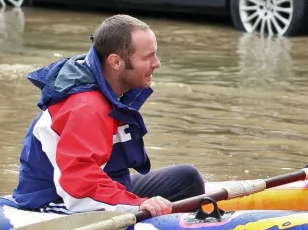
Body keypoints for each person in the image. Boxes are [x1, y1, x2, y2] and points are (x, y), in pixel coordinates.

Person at [12, 14, 205, 216]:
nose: (157, 63)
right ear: (116, 62)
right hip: (55, 199)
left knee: (187, 179)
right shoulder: (85, 107)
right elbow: (78, 185)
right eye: (148, 57)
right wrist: (137, 205)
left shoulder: (111, 89)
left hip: (93, 183)